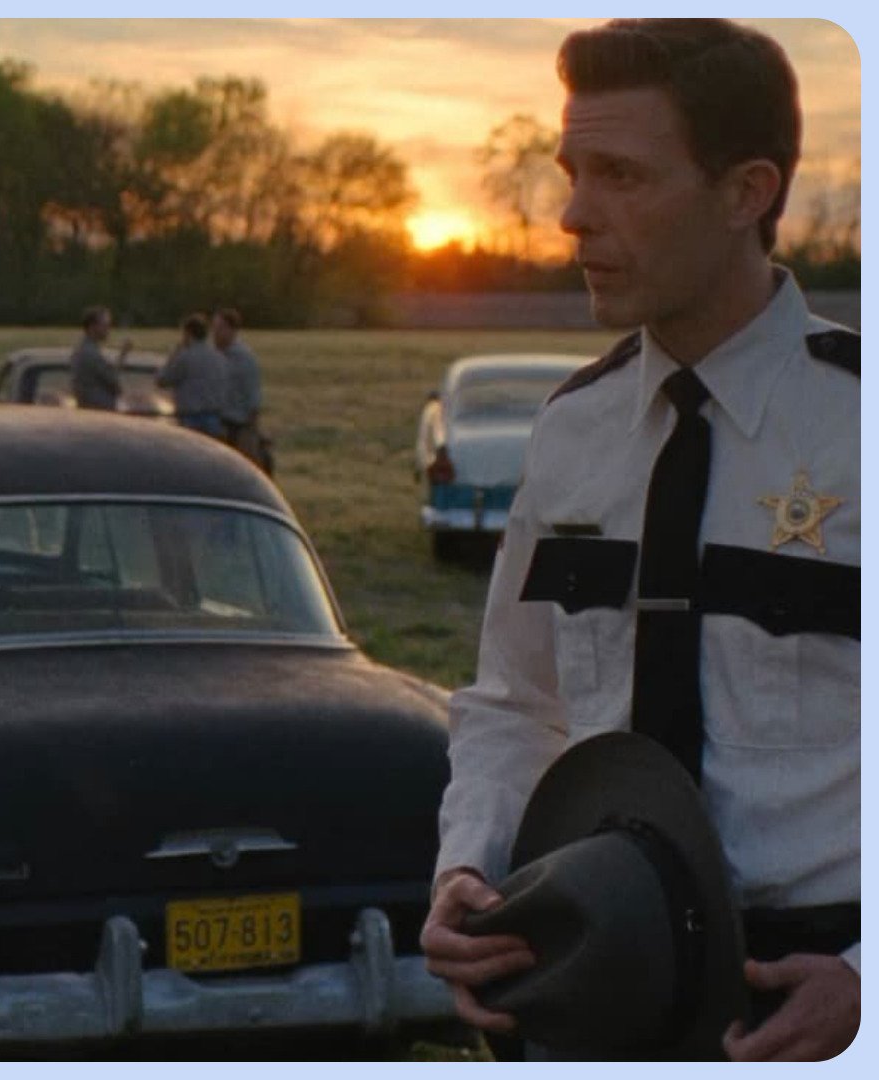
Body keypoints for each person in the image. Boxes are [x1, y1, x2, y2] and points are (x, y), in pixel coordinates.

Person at [421, 19, 858, 1062]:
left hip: (817, 1005)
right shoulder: (574, 428)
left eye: (620, 174)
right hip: (600, 980)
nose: (573, 214)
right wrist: (468, 866)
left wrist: (869, 983)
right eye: (573, 173)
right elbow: (516, 701)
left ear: (746, 192)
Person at [212, 306, 269, 470]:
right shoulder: (212, 355)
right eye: (214, 328)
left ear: (232, 331)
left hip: (237, 424)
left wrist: (251, 429)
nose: (215, 333)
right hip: (216, 421)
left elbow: (253, 394)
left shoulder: (244, 358)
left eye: (220, 328)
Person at [156, 313, 230, 438]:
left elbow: (162, 380)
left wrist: (173, 355)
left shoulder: (185, 357)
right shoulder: (219, 357)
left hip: (191, 419)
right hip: (214, 419)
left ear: (188, 333)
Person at [69, 305, 129, 410]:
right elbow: (112, 378)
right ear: (92, 327)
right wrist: (123, 354)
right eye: (105, 325)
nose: (108, 330)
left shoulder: (83, 349)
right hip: (98, 412)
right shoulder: (90, 353)